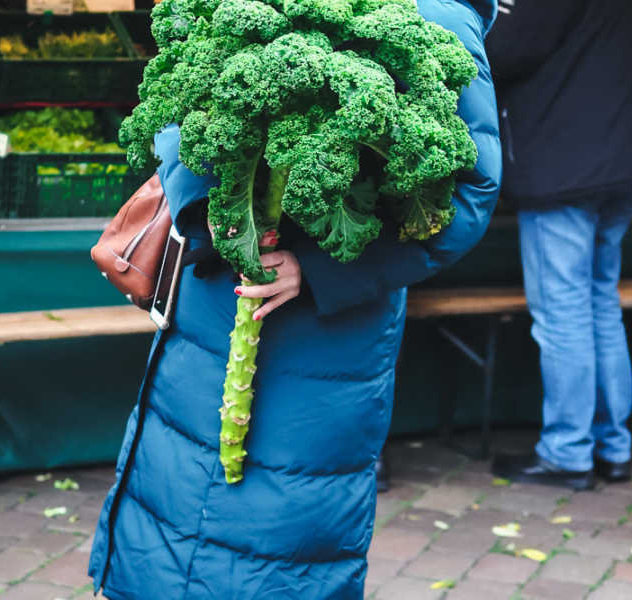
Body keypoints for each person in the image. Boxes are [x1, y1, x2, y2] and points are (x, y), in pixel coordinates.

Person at [86, 2, 501, 598]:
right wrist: (222, 217)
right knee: (167, 504)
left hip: (321, 342)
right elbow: (179, 113)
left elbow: (466, 195)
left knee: (276, 536)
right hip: (209, 307)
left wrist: (317, 268)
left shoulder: (437, 16)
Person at [486, 0, 632, 490]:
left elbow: (508, 50)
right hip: (623, 152)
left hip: (564, 159)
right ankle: (612, 446)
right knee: (600, 301)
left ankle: (567, 452)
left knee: (562, 312)